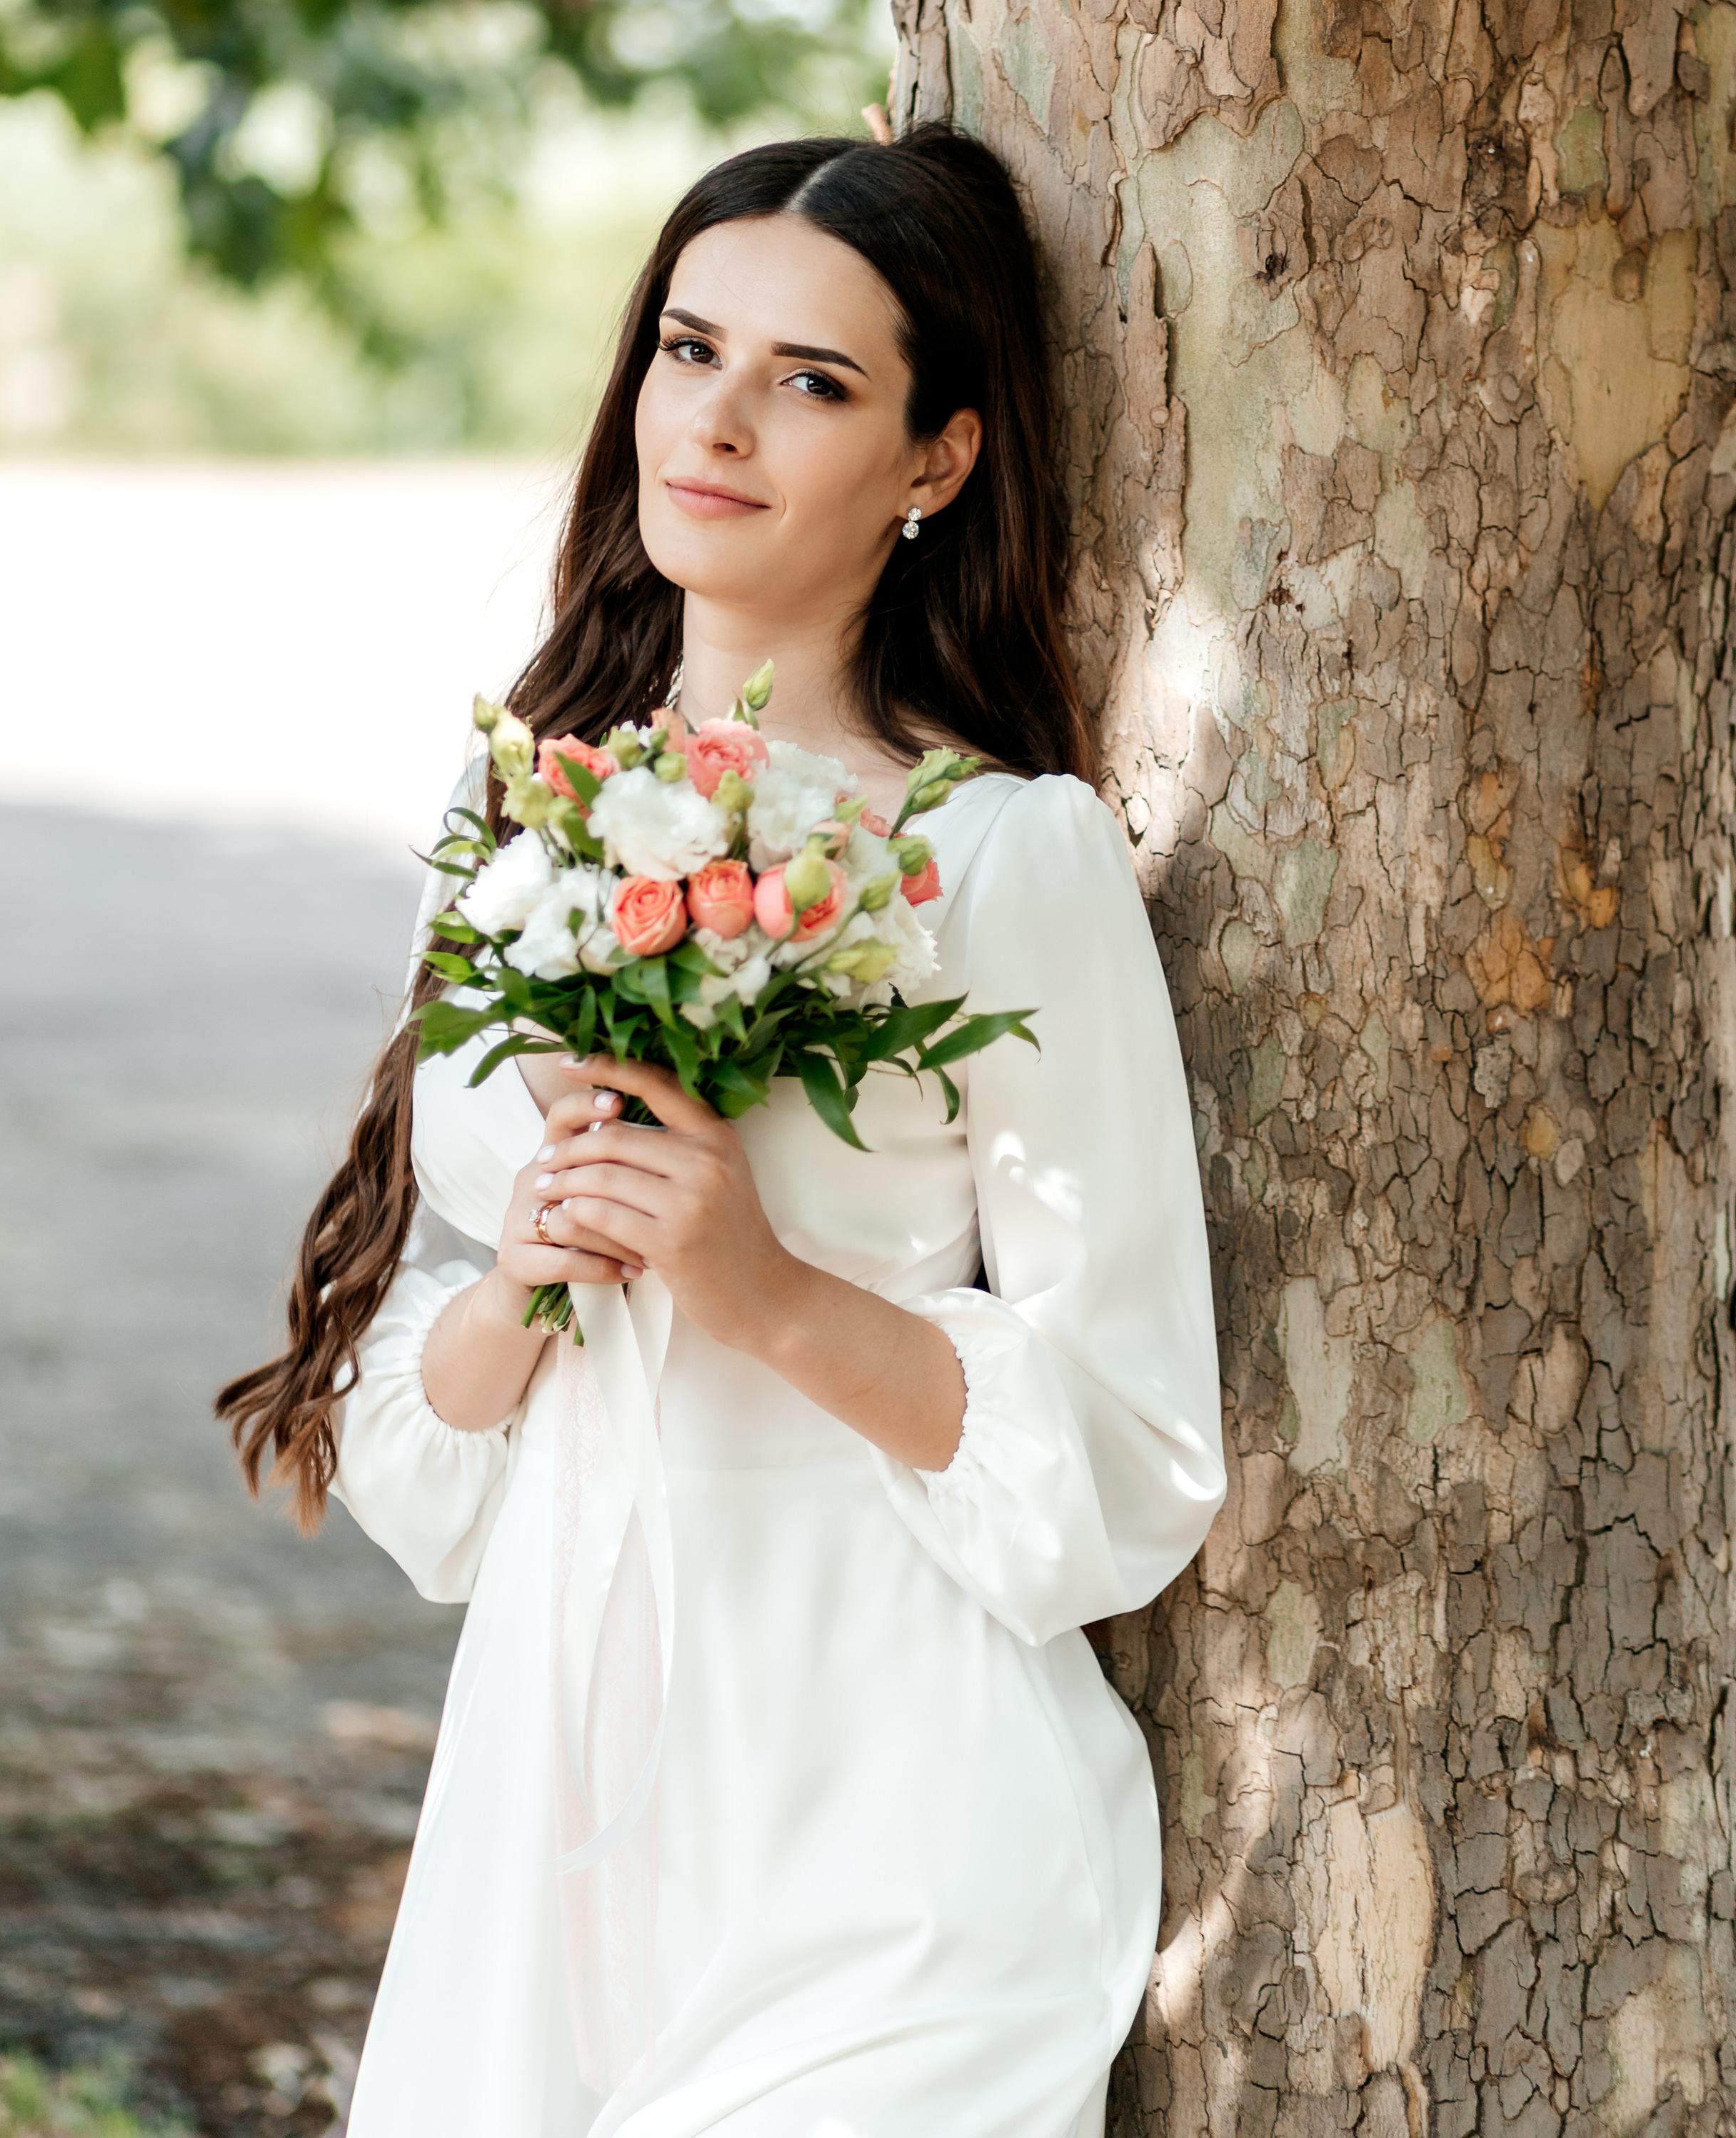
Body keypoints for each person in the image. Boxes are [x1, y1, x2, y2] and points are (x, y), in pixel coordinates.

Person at [217, 122, 1225, 2137]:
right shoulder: (519, 823)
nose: (725, 421)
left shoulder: (1002, 859)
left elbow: (1130, 1451)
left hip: (893, 1825)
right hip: (553, 1808)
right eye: (692, 352)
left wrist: (757, 1286)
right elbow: (447, 1430)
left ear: (938, 459)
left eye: (816, 382)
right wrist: (530, 1276)